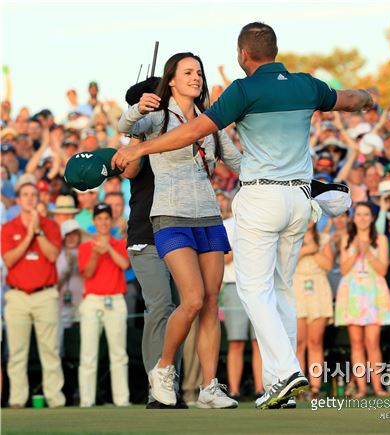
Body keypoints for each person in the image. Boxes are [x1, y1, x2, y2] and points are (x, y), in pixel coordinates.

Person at [112, 22, 373, 409]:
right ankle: (277, 384)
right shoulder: (307, 84)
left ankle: (284, 374)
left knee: (254, 290)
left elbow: (200, 134)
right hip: (297, 199)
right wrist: (367, 97)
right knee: (279, 289)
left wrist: (138, 152)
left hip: (261, 198)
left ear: (243, 55)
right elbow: (351, 99)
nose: (197, 78)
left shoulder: (243, 90)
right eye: (189, 72)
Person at [118, 52, 241, 409]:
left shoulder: (209, 120)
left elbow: (238, 162)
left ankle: (209, 387)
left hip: (209, 217)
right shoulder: (156, 116)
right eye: (188, 72)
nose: (196, 77)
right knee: (192, 299)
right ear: (171, 79)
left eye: (199, 72)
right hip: (170, 216)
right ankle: (164, 368)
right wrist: (138, 108)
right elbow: (126, 129)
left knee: (210, 304)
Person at [1, 182, 65, 408]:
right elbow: (9, 259)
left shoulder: (51, 226)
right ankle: (17, 400)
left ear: (39, 199)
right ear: (17, 200)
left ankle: (55, 399)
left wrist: (37, 231)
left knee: (50, 351)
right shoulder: (8, 227)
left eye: (33, 195)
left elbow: (52, 255)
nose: (29, 199)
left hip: (45, 295)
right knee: (17, 353)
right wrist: (29, 235)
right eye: (25, 195)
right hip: (17, 296)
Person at [335, 202, 390, 398]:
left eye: (366, 214)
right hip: (352, 292)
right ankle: (361, 388)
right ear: (354, 217)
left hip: (373, 291)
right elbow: (343, 269)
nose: (362, 218)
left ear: (372, 217)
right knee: (356, 343)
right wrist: (357, 250)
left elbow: (383, 269)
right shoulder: (346, 239)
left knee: (373, 342)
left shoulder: (381, 239)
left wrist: (367, 250)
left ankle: (378, 387)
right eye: (358, 214)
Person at [77, 203, 130, 408]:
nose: (103, 222)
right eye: (99, 219)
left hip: (115, 299)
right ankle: (86, 400)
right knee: (88, 354)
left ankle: (122, 400)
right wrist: (97, 253)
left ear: (111, 221)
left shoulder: (119, 243)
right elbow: (87, 272)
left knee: (119, 354)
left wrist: (107, 247)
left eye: (106, 218)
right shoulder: (86, 246)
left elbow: (124, 265)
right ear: (94, 222)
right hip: (92, 300)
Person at [220, 190, 264, 402]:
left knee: (259, 341)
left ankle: (261, 389)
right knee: (236, 341)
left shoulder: (261, 225)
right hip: (233, 285)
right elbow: (223, 258)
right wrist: (241, 249)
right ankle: (234, 390)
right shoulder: (228, 226)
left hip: (258, 285)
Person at [293, 219, 333, 400]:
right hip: (297, 288)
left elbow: (328, 265)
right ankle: (299, 386)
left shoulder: (324, 238)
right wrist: (305, 249)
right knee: (298, 342)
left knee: (315, 342)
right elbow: (286, 263)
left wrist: (314, 248)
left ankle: (315, 387)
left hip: (318, 288)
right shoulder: (290, 237)